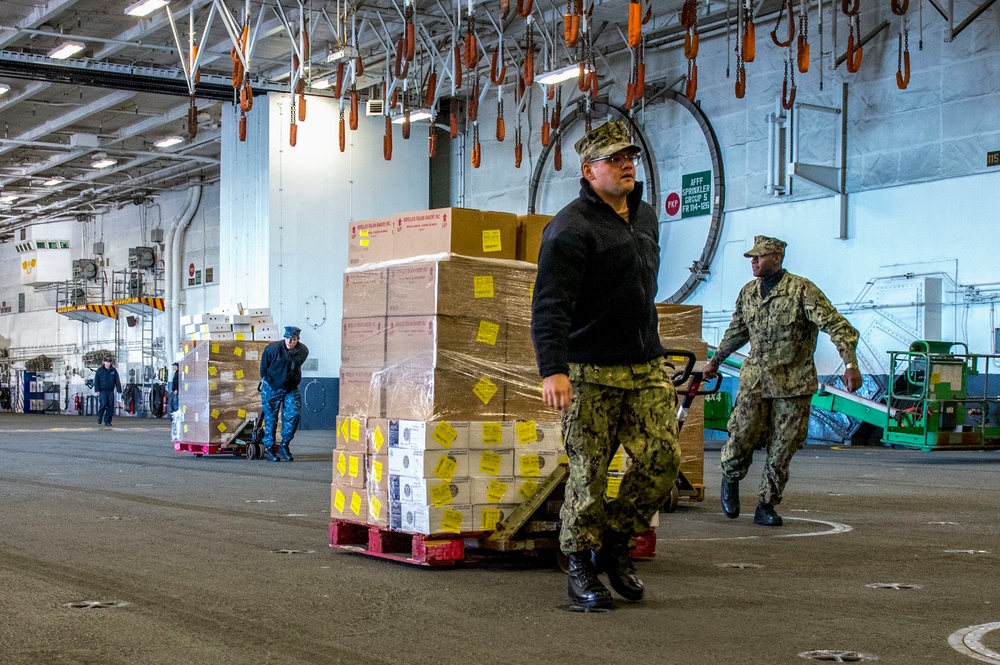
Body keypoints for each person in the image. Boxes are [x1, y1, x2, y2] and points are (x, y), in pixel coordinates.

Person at [531, 120, 681, 610]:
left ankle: (614, 545)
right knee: (589, 474)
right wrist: (553, 368)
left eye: (629, 156)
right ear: (588, 169)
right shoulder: (569, 228)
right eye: (614, 158)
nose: (626, 164)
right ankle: (578, 566)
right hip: (590, 371)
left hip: (644, 367)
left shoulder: (645, 218)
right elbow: (550, 305)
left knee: (663, 462)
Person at [704, 236, 862, 526]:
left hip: (793, 384)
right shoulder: (748, 293)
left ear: (777, 257)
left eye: (759, 257)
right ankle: (731, 477)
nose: (753, 261)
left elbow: (837, 325)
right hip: (755, 382)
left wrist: (850, 363)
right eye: (751, 257)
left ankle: (766, 505)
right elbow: (737, 330)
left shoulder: (802, 290)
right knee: (740, 437)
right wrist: (715, 361)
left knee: (783, 447)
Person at [258, 326, 309, 462]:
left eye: (292, 339)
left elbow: (293, 365)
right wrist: (270, 382)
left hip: (290, 386)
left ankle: (284, 445)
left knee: (294, 413)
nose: (289, 342)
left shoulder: (303, 351)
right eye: (287, 338)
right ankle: (269, 448)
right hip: (272, 385)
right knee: (270, 417)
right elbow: (263, 369)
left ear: (297, 339)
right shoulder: (272, 349)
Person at [93, 356, 122, 427]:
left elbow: (117, 381)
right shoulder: (100, 370)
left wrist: (119, 390)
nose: (108, 363)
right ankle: (100, 416)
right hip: (102, 391)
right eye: (107, 362)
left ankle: (107, 421)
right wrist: (97, 390)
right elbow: (96, 381)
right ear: (104, 362)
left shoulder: (113, 371)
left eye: (109, 362)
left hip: (111, 391)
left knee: (110, 406)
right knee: (103, 404)